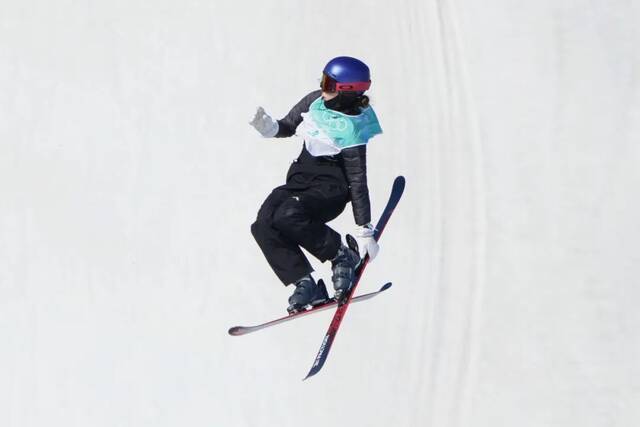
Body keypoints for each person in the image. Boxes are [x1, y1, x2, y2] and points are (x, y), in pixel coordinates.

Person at [249, 56, 383, 314]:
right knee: (263, 222)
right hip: (301, 179)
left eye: (329, 84)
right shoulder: (316, 102)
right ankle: (304, 282)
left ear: (346, 92)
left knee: (288, 215)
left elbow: (357, 180)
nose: (323, 88)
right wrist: (269, 128)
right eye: (323, 80)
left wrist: (365, 228)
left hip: (330, 187)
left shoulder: (352, 127)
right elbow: (288, 125)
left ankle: (341, 255)